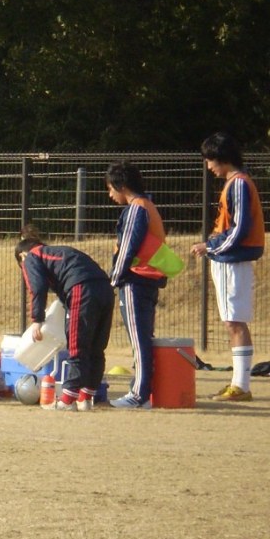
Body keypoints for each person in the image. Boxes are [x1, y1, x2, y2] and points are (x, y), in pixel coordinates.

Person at [189, 132, 265, 403]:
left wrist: (210, 246)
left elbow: (240, 229)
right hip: (228, 260)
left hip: (232, 262)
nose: (208, 166)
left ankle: (242, 385)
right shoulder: (235, 183)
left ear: (221, 158)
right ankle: (237, 382)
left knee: (235, 321)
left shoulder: (239, 184)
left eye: (210, 160)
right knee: (232, 321)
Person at [15, 227, 115, 411]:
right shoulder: (58, 252)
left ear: (22, 256)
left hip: (81, 288)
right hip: (105, 289)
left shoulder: (31, 257)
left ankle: (67, 400)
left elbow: (37, 288)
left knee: (77, 346)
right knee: (96, 347)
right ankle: (86, 398)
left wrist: (37, 320)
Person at [107, 161, 175, 409]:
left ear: (120, 185)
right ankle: (144, 391)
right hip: (148, 280)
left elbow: (127, 249)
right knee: (143, 337)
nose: (110, 195)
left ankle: (139, 394)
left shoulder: (136, 208)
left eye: (110, 189)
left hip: (136, 280)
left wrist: (114, 278)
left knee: (139, 339)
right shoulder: (149, 206)